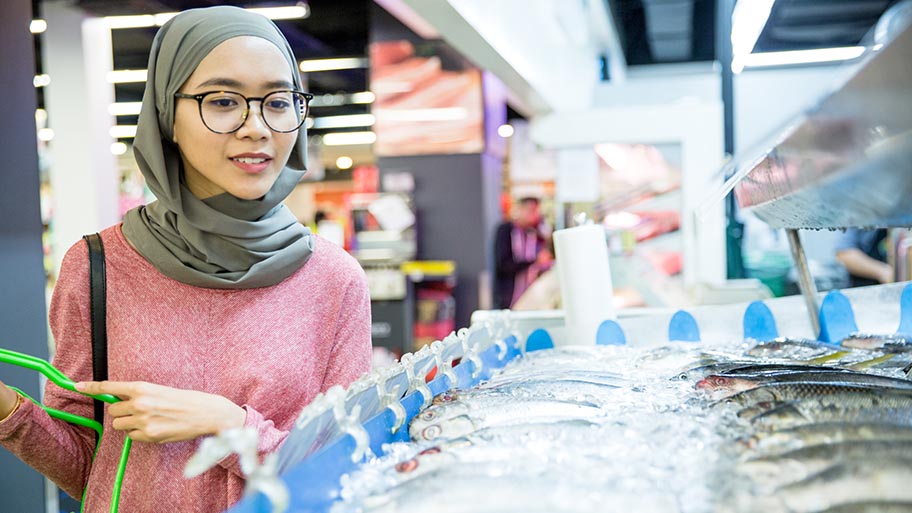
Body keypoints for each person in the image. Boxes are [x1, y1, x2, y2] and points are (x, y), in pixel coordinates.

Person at [0, 7, 371, 512]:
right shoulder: (98, 264)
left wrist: (230, 425)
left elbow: (347, 465)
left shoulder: (333, 279)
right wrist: (7, 410)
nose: (257, 127)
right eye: (222, 101)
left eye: (279, 102)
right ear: (165, 114)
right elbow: (90, 466)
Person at [492, 197, 551, 309]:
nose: (533, 215)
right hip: (509, 298)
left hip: (529, 299)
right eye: (530, 210)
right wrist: (534, 261)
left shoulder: (535, 234)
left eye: (536, 211)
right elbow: (504, 264)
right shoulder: (506, 230)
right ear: (520, 209)